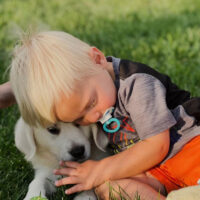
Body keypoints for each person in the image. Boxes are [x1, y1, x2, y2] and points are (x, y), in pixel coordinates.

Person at [2, 30, 200, 200]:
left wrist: (99, 170)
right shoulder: (91, 82)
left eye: (91, 103)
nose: (92, 117)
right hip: (157, 172)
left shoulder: (136, 84)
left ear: (97, 59)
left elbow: (157, 146)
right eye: (79, 119)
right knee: (109, 189)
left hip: (189, 149)